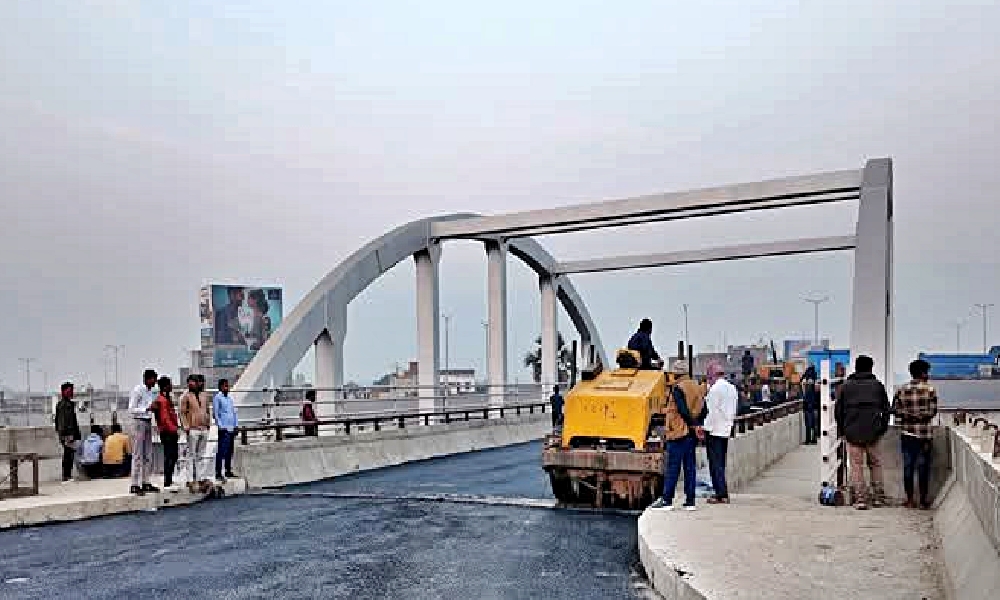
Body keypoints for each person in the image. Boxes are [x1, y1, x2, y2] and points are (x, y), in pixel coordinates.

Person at [834, 355, 891, 510]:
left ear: (856, 367)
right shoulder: (878, 386)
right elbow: (887, 410)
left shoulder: (846, 386)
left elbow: (838, 411)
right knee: (875, 464)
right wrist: (882, 428)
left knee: (856, 466)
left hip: (852, 432)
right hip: (874, 432)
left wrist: (843, 430)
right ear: (871, 367)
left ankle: (861, 499)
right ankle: (878, 497)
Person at [650, 360, 707, 511]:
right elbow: (704, 410)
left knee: (673, 468)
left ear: (676, 373)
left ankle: (667, 500)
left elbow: (682, 410)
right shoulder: (697, 387)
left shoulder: (678, 388)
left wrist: (690, 423)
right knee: (690, 468)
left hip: (678, 433)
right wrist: (696, 425)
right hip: (691, 435)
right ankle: (690, 501)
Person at [892, 359, 938, 510]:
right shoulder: (930, 390)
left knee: (908, 467)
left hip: (907, 434)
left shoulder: (901, 389)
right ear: (923, 372)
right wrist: (920, 416)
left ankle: (910, 500)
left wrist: (909, 415)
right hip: (924, 435)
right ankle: (923, 501)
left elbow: (896, 411)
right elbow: (932, 412)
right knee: (923, 467)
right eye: (927, 372)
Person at [703, 361, 738, 504]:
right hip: (726, 429)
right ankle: (722, 491)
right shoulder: (732, 388)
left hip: (715, 430)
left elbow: (711, 412)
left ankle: (720, 494)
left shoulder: (715, 390)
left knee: (715, 463)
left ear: (712, 375)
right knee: (721, 463)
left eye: (708, 377)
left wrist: (705, 428)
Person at [128, 369, 160, 495]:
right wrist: (146, 408)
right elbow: (131, 409)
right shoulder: (138, 390)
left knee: (148, 453)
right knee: (137, 454)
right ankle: (134, 484)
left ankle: (146, 482)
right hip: (138, 421)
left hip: (147, 421)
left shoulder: (152, 391)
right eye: (153, 379)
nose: (155, 382)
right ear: (148, 379)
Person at [180, 374, 212, 488]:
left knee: (201, 455)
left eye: (193, 382)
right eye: (190, 382)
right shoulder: (186, 396)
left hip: (204, 428)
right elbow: (182, 413)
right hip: (192, 429)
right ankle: (189, 479)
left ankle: (200, 478)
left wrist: (208, 424)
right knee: (190, 455)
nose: (191, 384)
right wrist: (186, 426)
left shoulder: (204, 395)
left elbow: (207, 410)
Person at [150, 377, 180, 492]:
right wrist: (173, 429)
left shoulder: (167, 399)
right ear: (165, 386)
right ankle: (167, 481)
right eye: (170, 384)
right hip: (167, 432)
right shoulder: (161, 400)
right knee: (169, 456)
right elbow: (164, 418)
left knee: (173, 455)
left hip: (170, 431)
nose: (171, 386)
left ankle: (169, 478)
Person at [54, 382, 81, 483]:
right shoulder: (63, 405)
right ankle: (66, 476)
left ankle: (67, 475)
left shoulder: (68, 404)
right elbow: (61, 421)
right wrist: (65, 435)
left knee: (69, 454)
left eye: (72, 391)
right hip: (67, 434)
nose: (71, 393)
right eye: (69, 391)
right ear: (64, 391)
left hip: (69, 433)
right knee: (68, 455)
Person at [213, 379, 239, 481]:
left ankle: (228, 471)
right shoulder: (217, 398)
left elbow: (234, 412)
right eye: (225, 386)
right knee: (221, 451)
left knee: (230, 451)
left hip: (231, 427)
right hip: (224, 428)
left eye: (227, 386)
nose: (227, 388)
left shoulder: (229, 399)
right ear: (220, 387)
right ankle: (218, 472)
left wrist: (236, 425)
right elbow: (216, 413)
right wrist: (220, 426)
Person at [801, 365, 820, 444]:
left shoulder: (805, 382)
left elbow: (804, 394)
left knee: (808, 424)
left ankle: (808, 440)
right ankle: (814, 439)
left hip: (807, 405)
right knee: (815, 423)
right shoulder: (816, 382)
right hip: (815, 405)